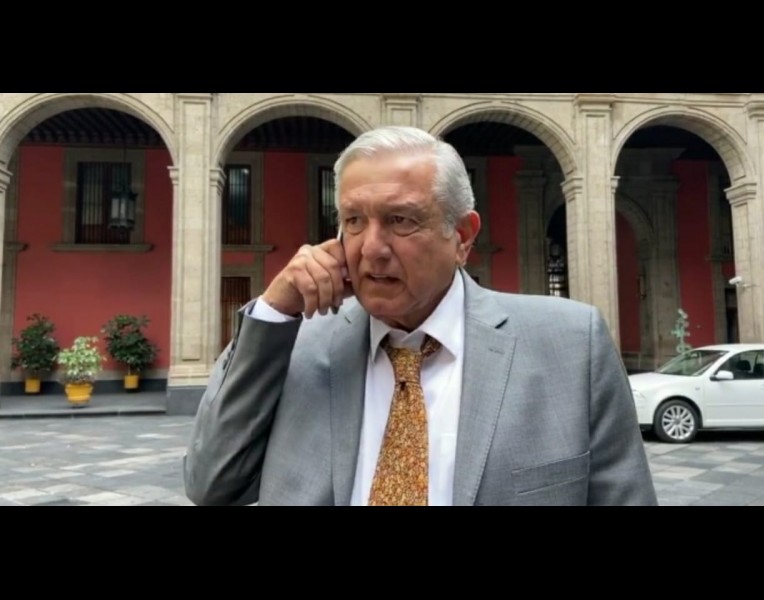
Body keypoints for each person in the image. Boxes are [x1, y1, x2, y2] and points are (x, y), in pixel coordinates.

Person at [183, 125, 658, 506]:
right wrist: (272, 311)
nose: (371, 248)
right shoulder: (294, 343)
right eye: (354, 221)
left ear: (463, 237)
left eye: (401, 220)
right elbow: (212, 483)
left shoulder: (572, 346)